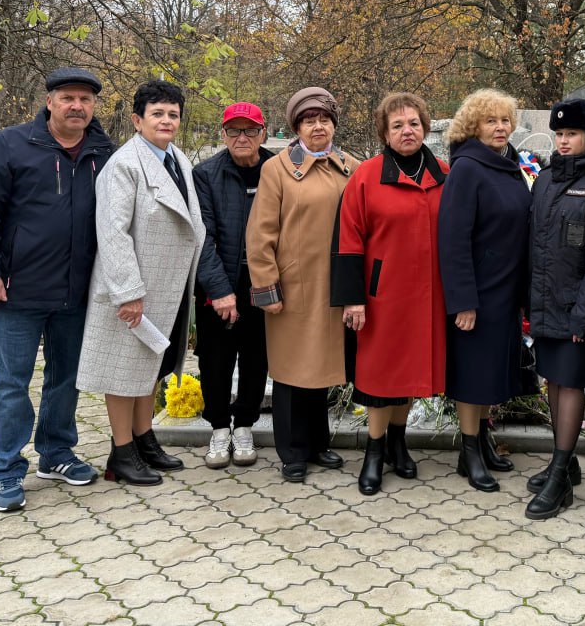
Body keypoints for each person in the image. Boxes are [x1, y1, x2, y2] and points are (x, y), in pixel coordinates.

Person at [0, 67, 115, 512]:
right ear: (49, 101)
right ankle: (7, 471)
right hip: (16, 293)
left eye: (85, 100)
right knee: (11, 384)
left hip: (77, 293)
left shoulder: (103, 152)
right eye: (68, 98)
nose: (77, 106)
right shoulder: (11, 145)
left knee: (66, 380)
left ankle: (56, 453)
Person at [77, 80, 205, 485]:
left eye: (173, 115)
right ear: (137, 120)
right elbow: (112, 232)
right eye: (158, 114)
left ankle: (143, 437)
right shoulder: (124, 164)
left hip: (168, 285)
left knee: (150, 367)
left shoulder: (177, 158)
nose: (166, 121)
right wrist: (129, 292)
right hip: (132, 289)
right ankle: (121, 453)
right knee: (123, 370)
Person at [333, 92, 450, 495]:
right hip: (382, 297)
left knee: (413, 372)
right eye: (398, 125)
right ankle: (374, 451)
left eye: (414, 123)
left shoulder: (444, 175)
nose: (407, 130)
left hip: (429, 297)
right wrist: (352, 298)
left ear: (425, 127)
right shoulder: (366, 176)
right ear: (384, 132)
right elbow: (348, 239)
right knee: (380, 377)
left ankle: (399, 444)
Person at [246, 86, 355, 482]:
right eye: (309, 120)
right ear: (296, 126)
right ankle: (292, 452)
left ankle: (318, 444)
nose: (318, 126)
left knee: (323, 369)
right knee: (293, 372)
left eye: (324, 119)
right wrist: (267, 288)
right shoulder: (276, 170)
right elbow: (260, 234)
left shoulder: (351, 166)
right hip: (294, 287)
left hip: (335, 288)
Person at [524, 98, 585, 519]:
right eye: (560, 134)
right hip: (546, 303)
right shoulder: (545, 179)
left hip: (580, 307)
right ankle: (564, 461)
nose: (563, 141)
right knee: (553, 381)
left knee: (571, 383)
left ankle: (560, 477)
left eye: (572, 135)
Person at [438, 88, 532, 492]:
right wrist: (463, 300)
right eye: (491, 120)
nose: (500, 127)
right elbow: (453, 238)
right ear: (473, 127)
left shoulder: (509, 166)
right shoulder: (467, 169)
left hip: (506, 291)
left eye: (505, 120)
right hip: (477, 292)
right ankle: (469, 452)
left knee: (492, 372)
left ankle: (484, 440)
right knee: (472, 375)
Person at [192, 102, 273, 469]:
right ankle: (219, 427)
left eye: (250, 130)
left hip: (264, 280)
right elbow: (202, 236)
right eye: (234, 131)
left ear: (263, 133)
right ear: (223, 135)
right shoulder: (206, 174)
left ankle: (244, 425)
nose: (242, 138)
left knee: (258, 357)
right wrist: (219, 290)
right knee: (215, 358)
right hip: (219, 280)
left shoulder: (277, 169)